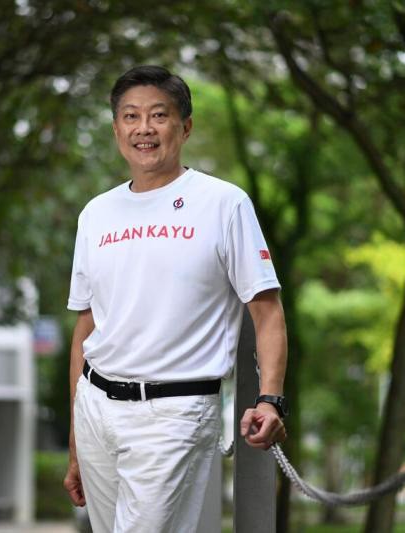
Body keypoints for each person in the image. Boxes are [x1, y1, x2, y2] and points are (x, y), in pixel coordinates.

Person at [63, 65, 288, 533]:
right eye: (130, 116)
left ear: (185, 127)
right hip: (95, 408)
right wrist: (75, 441)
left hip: (174, 413)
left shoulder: (224, 204)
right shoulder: (95, 214)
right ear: (116, 129)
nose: (143, 128)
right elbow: (86, 328)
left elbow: (266, 313)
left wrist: (271, 401)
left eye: (158, 115)